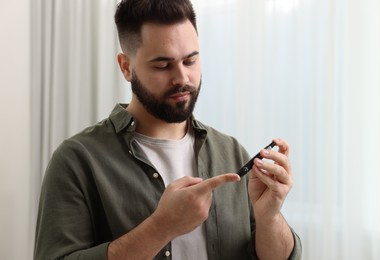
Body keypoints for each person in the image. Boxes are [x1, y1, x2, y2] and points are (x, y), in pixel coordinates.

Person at [34, 0, 302, 259]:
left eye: (190, 61)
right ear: (126, 67)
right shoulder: (77, 160)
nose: (182, 78)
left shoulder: (230, 152)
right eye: (163, 65)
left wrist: (270, 217)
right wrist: (162, 227)